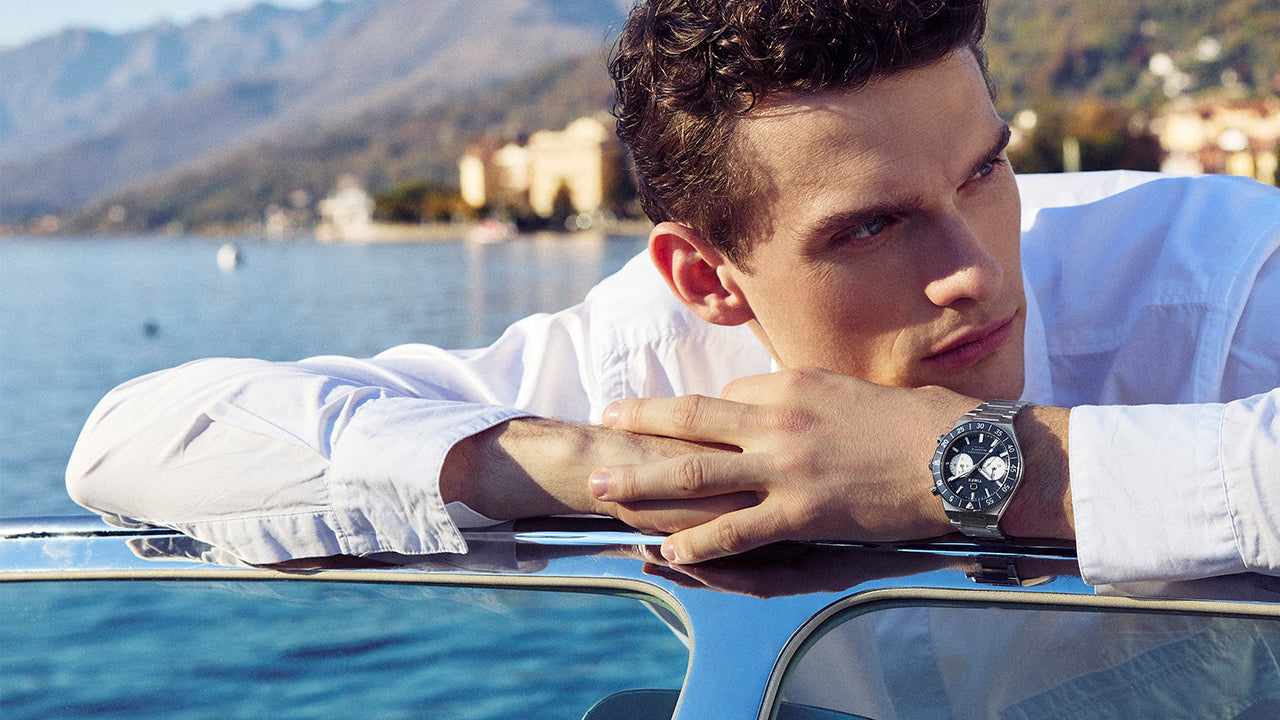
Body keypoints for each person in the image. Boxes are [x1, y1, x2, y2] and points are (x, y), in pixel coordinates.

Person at [66, 0, 1280, 587]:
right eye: (868, 227)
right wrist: (576, 471)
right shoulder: (648, 367)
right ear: (704, 278)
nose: (971, 265)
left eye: (983, 170)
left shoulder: (1220, 275)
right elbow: (136, 440)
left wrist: (977, 469)